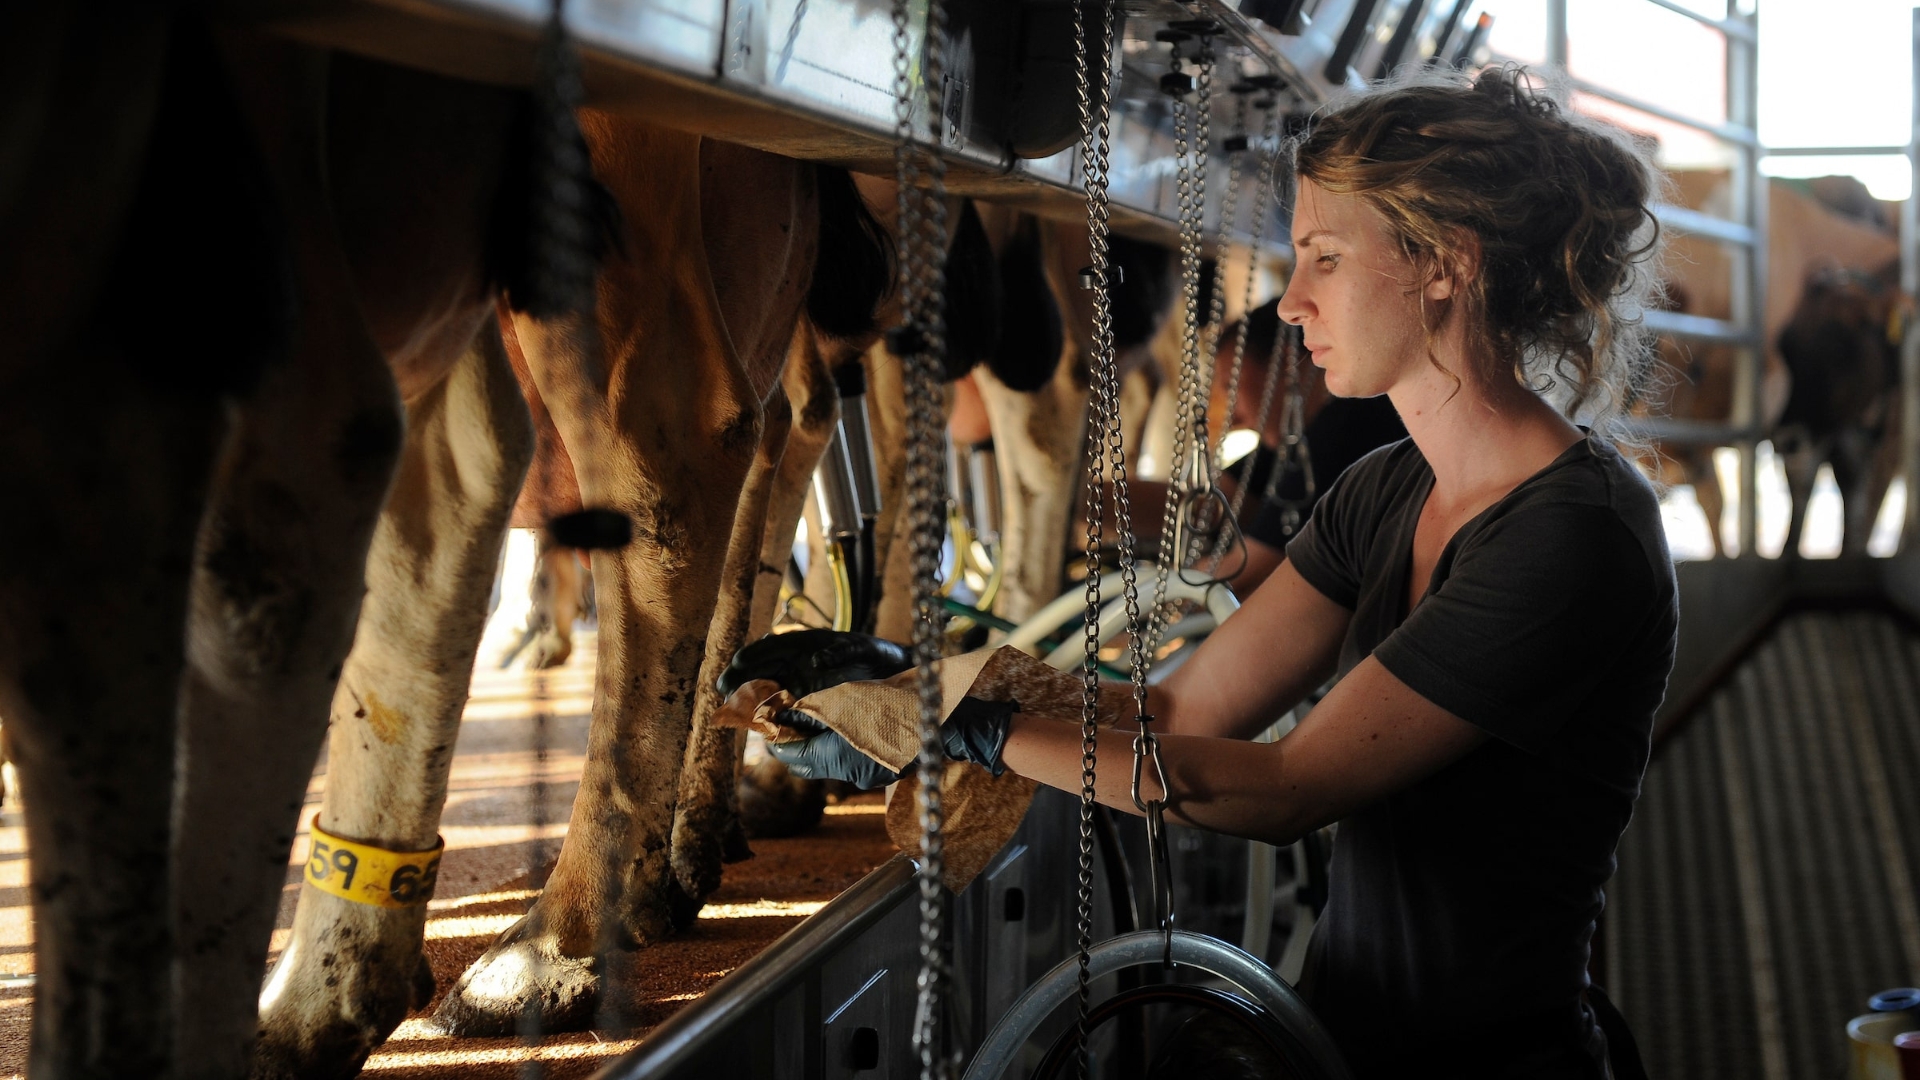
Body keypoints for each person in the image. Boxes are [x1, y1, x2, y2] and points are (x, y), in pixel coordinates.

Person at [735, 67, 1674, 1079]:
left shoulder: (1574, 537)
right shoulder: (1383, 490)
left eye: (1322, 259)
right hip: (1342, 1039)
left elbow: (1285, 788)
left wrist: (968, 727)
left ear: (1445, 264)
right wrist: (923, 679)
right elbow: (1178, 717)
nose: (1296, 301)